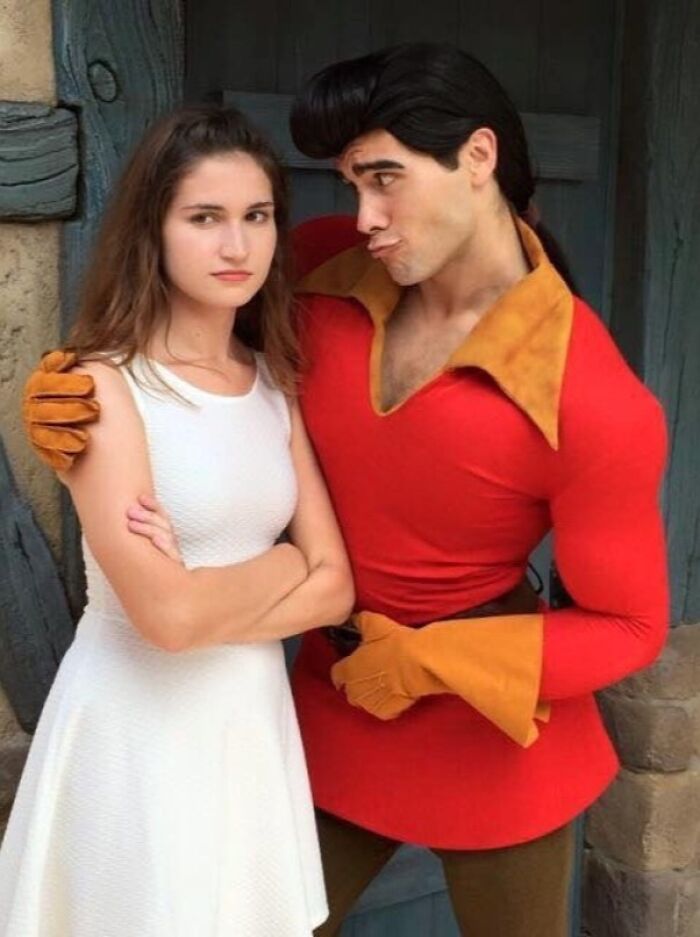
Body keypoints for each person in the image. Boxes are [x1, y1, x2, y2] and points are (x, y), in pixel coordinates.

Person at [22, 44, 669, 937]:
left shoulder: (595, 399)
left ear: (477, 159)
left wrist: (436, 661)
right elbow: (181, 327)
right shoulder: (318, 268)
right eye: (348, 183)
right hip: (330, 706)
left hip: (495, 727)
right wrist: (65, 394)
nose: (359, 215)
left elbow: (632, 628)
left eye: (383, 180)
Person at [2, 104, 356, 937]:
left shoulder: (272, 381)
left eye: (256, 216)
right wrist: (279, 567)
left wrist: (207, 590)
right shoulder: (101, 386)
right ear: (152, 231)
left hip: (244, 731)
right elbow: (164, 619)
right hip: (135, 739)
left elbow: (337, 589)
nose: (237, 246)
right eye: (205, 218)